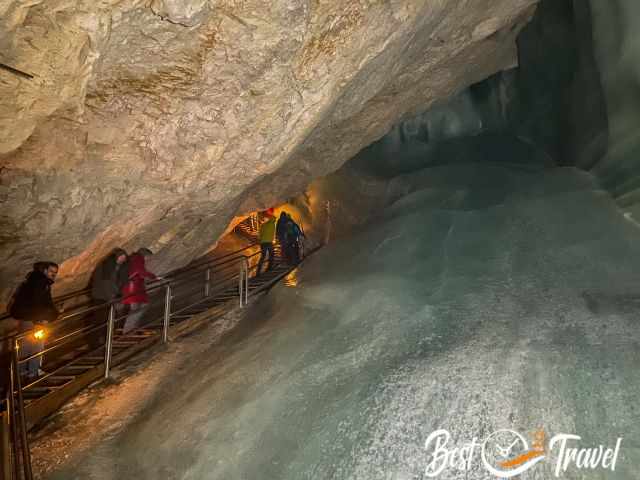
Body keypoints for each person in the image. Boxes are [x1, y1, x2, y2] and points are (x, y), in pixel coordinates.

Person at [9, 262, 59, 379]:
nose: (54, 274)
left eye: (55, 273)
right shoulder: (41, 283)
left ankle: (21, 371)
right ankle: (33, 371)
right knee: (37, 346)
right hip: (35, 320)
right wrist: (43, 319)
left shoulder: (34, 281)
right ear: (45, 270)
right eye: (51, 271)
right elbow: (39, 304)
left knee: (26, 345)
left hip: (27, 318)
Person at [89, 248, 128, 348]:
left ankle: (102, 340)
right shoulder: (107, 266)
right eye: (121, 257)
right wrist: (112, 296)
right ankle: (96, 343)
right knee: (100, 320)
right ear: (116, 257)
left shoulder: (113, 266)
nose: (123, 260)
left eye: (124, 258)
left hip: (105, 296)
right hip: (103, 297)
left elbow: (114, 282)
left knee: (104, 320)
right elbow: (106, 283)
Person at [121, 248, 157, 334]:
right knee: (137, 308)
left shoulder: (132, 258)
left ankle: (131, 328)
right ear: (145, 255)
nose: (148, 260)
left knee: (136, 308)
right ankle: (128, 330)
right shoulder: (138, 258)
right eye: (148, 257)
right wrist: (153, 276)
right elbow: (139, 271)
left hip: (131, 287)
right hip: (133, 288)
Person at [257, 209, 276, 275]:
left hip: (263, 243)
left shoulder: (262, 226)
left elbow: (259, 236)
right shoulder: (271, 223)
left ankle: (258, 271)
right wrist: (270, 212)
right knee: (271, 255)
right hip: (269, 242)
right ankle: (269, 268)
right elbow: (274, 218)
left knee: (263, 256)